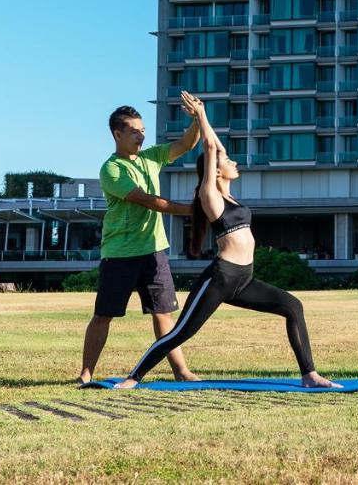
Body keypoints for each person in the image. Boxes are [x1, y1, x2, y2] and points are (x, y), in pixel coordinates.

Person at [113, 93, 339, 389]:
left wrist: (204, 114)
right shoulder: (211, 195)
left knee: (292, 305)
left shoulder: (230, 194)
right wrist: (200, 118)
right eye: (226, 160)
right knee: (181, 332)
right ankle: (133, 377)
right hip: (221, 279)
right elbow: (209, 147)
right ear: (216, 171)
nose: (232, 160)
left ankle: (309, 374)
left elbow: (216, 146)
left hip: (245, 278)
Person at [77, 96, 206, 385]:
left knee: (163, 314)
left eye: (143, 130)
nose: (142, 135)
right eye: (135, 131)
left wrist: (198, 117)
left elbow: (186, 144)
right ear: (117, 134)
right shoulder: (111, 169)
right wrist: (192, 210)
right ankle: (86, 373)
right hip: (120, 253)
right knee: (103, 316)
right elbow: (146, 201)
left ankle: (181, 371)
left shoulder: (151, 156)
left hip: (153, 251)